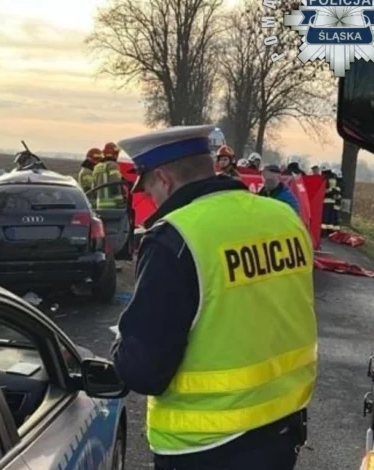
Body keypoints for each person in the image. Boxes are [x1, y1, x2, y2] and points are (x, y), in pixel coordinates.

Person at [111, 124, 317, 470]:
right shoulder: (283, 218)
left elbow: (145, 372)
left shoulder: (174, 238)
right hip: (281, 428)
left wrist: (121, 347)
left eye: (148, 190)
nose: (152, 201)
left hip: (204, 446)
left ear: (164, 179)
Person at [92, 142, 126, 208]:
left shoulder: (97, 167)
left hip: (100, 206)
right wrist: (120, 202)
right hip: (112, 206)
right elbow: (115, 184)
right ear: (115, 154)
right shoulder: (113, 165)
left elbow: (94, 188)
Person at [321, 166, 341, 235]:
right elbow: (337, 188)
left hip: (326, 200)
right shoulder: (334, 178)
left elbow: (324, 189)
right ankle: (330, 231)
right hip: (333, 200)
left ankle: (323, 232)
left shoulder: (325, 178)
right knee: (331, 216)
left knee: (325, 217)